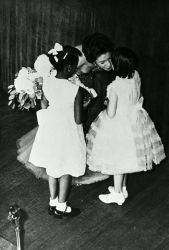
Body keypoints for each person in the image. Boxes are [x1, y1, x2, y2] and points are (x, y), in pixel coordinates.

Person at [17, 33, 115, 185]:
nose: (109, 65)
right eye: (103, 62)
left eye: (109, 59)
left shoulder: (101, 57)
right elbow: (57, 71)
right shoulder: (79, 57)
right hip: (73, 89)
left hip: (87, 87)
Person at [86, 47, 166, 205]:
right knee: (126, 157)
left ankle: (117, 194)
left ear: (117, 66)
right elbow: (139, 95)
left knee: (117, 160)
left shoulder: (115, 86)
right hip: (134, 121)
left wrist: (107, 101)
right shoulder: (136, 75)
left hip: (118, 124)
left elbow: (110, 113)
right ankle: (122, 187)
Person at [28, 45, 86, 217]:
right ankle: (61, 207)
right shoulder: (76, 90)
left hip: (51, 128)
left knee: (52, 167)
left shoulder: (48, 82)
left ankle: (52, 201)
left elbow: (44, 104)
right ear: (69, 68)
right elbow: (78, 119)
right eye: (75, 67)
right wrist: (86, 106)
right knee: (66, 168)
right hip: (67, 131)